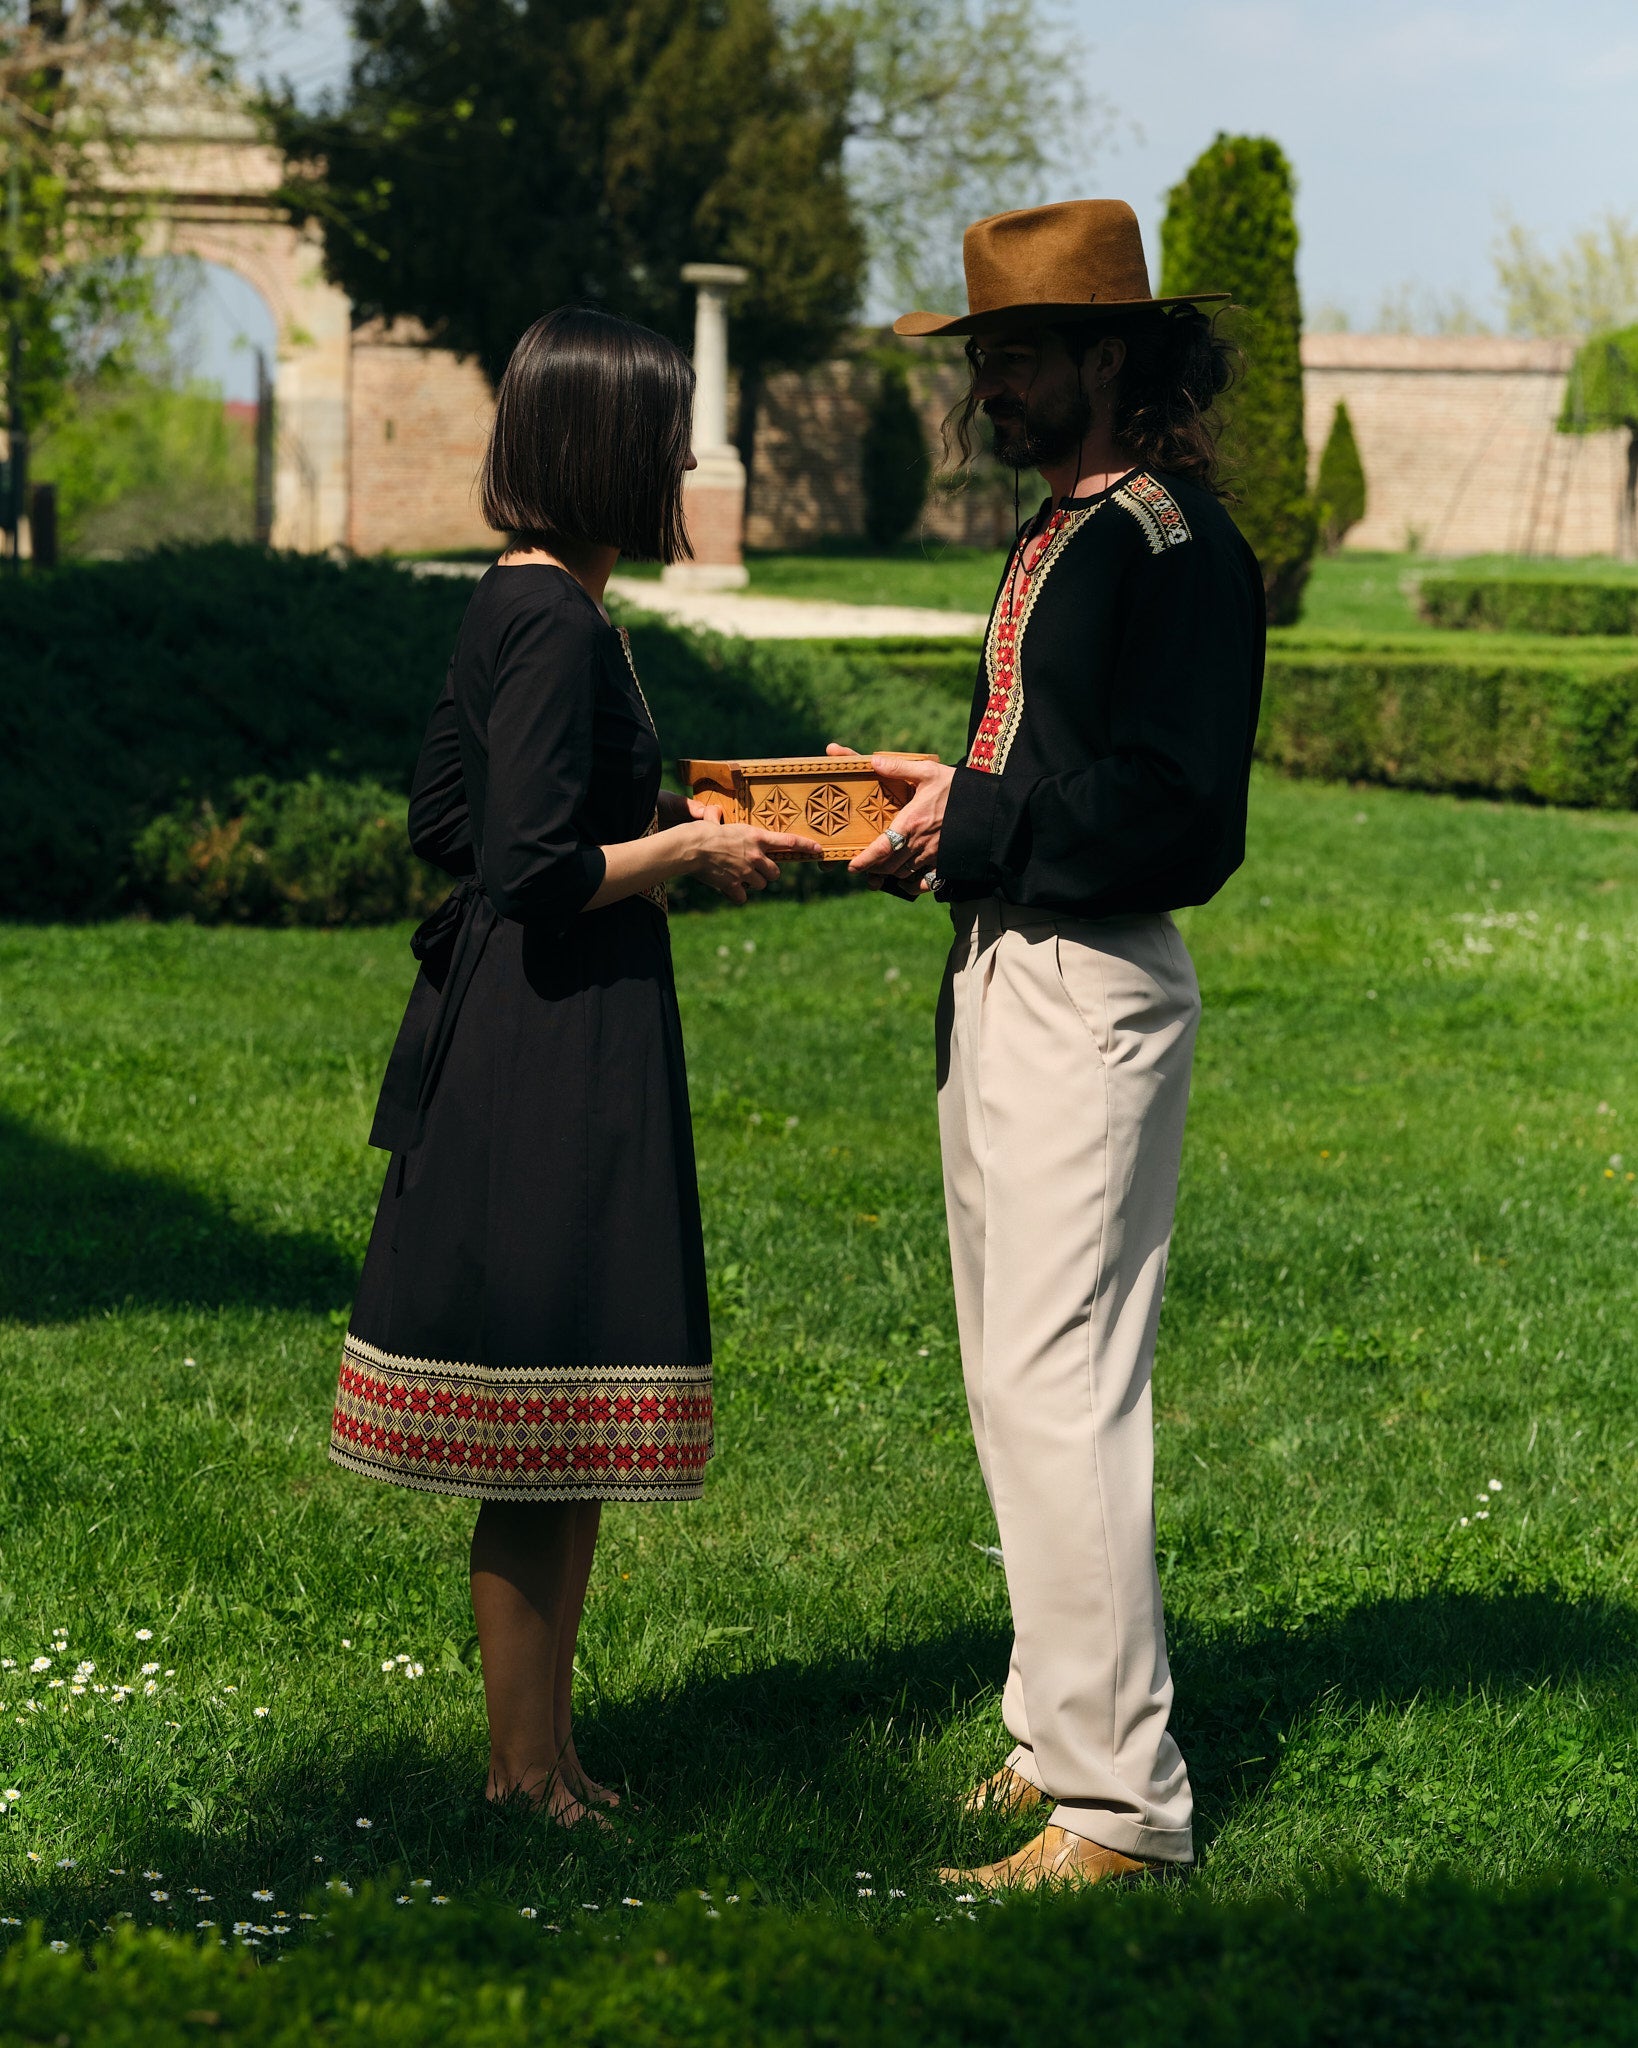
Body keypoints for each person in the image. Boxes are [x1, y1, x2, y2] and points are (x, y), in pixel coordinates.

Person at [328, 306, 820, 1826]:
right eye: (668, 435)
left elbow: (448, 814)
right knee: (542, 1417)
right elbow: (533, 866)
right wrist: (685, 850)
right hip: (554, 1039)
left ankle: (546, 1759)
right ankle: (520, 1772)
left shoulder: (517, 597)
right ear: (607, 447)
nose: (683, 461)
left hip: (530, 1016)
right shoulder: (556, 619)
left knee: (560, 1428)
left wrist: (678, 818)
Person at [840, 199, 1265, 1887]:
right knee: (1015, 1382)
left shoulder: (1173, 545)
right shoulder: (1059, 532)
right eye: (983, 356)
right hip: (1002, 967)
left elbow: (1181, 816)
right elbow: (1044, 777)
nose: (991, 386)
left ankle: (1120, 1810)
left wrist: (984, 820)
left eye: (1018, 355)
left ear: (1110, 354)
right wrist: (936, 812)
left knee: (1061, 1383)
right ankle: (1052, 1735)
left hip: (1090, 984)